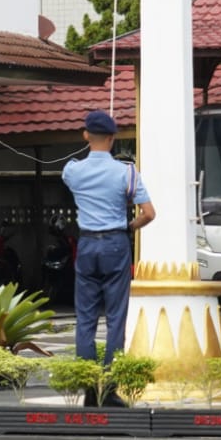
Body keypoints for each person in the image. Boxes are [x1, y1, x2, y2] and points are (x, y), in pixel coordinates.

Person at [61, 111, 155, 372]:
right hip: (116, 242)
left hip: (88, 244)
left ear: (86, 135)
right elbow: (149, 213)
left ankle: (87, 379)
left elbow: (70, 176)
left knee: (86, 316)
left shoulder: (73, 171)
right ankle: (111, 379)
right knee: (115, 316)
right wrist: (129, 226)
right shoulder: (128, 173)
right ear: (113, 138)